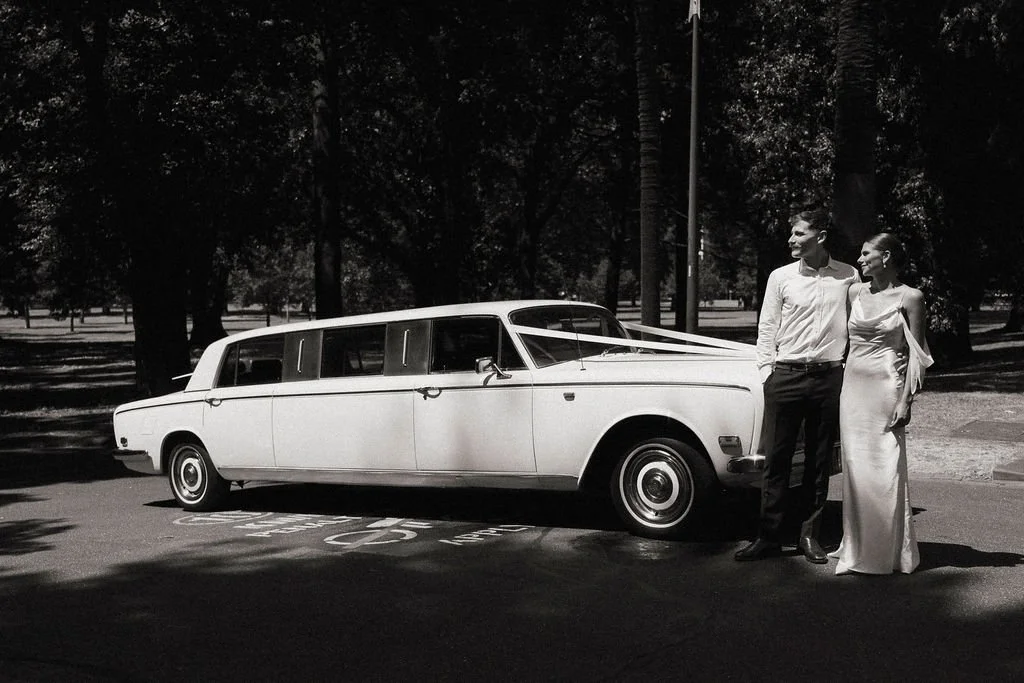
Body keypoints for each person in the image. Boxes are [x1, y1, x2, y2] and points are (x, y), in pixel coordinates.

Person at [736, 208, 859, 563]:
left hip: (828, 379)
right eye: (792, 233)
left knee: (818, 463)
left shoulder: (848, 276)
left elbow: (859, 324)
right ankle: (769, 537)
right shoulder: (780, 277)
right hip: (785, 377)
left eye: (799, 233)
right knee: (777, 460)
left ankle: (810, 537)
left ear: (820, 236)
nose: (791, 239)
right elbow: (767, 328)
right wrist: (766, 373)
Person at [829, 233, 932, 575]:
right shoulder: (854, 292)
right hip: (853, 389)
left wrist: (907, 401)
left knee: (886, 466)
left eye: (865, 253)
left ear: (885, 257)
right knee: (856, 468)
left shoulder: (911, 297)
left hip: (887, 387)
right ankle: (856, 545)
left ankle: (887, 552)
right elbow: (846, 343)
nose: (859, 259)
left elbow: (917, 356)